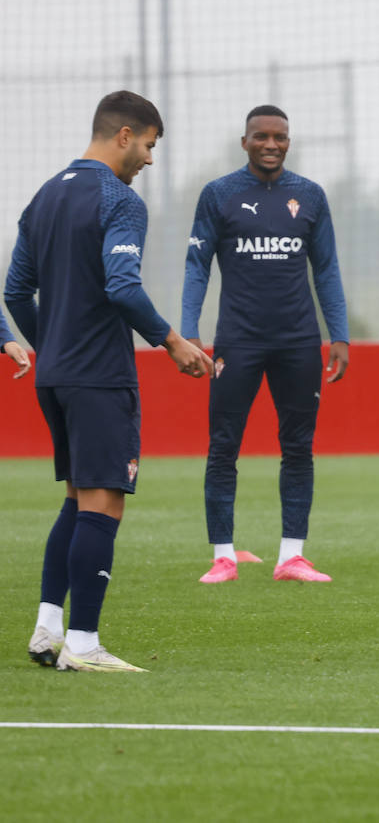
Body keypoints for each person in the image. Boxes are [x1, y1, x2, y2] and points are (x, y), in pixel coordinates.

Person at [5, 90, 213, 672]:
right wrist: (172, 341)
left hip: (56, 374)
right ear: (124, 135)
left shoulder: (44, 195)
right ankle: (85, 644)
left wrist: (55, 345)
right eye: (149, 145)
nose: (149, 158)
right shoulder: (118, 201)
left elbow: (17, 290)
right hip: (98, 376)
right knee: (105, 500)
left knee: (76, 498)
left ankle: (48, 630)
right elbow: (123, 287)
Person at [182, 106, 350, 585]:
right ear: (245, 142)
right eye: (261, 136)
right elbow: (197, 266)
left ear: (288, 142)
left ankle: (291, 557)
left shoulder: (310, 196)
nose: (271, 144)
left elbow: (327, 270)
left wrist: (338, 334)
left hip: (299, 341)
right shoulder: (219, 195)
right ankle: (223, 556)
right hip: (236, 341)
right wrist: (189, 330)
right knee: (223, 447)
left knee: (298, 448)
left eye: (279, 137)